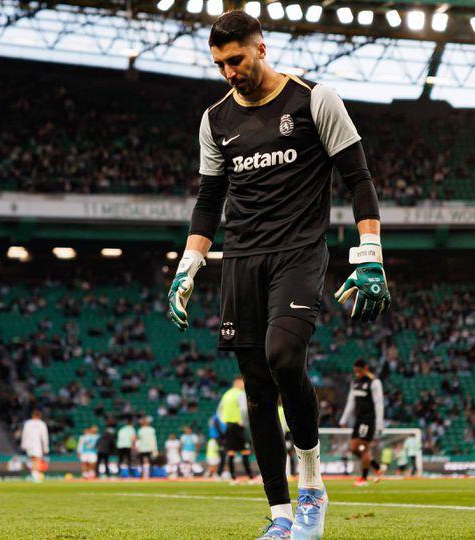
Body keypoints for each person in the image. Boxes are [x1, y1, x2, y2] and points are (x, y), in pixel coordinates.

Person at [166, 10, 389, 539]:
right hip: (241, 259)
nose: (228, 72)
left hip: (299, 253)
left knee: (284, 359)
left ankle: (312, 486)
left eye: (236, 59)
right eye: (219, 64)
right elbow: (208, 201)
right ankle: (281, 517)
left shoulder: (315, 100)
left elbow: (359, 179)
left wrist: (371, 252)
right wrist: (188, 268)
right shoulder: (215, 120)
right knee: (258, 393)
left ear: (261, 50)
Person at [339, 359, 384, 487]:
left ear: (366, 368)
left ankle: (364, 478)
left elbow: (379, 403)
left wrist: (379, 423)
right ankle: (376, 466)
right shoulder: (356, 383)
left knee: (364, 448)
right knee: (354, 448)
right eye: (355, 372)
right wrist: (344, 419)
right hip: (358, 419)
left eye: (359, 371)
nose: (357, 374)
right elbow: (351, 402)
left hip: (368, 419)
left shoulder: (374, 382)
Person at [217, 377, 256, 485]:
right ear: (238, 383)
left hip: (228, 425)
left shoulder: (226, 394)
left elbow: (219, 410)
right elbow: (243, 409)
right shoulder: (240, 393)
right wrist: (243, 421)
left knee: (231, 451)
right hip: (238, 425)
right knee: (245, 450)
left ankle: (233, 478)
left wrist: (224, 421)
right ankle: (251, 477)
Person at [21, 410, 50, 482]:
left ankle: (34, 474)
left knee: (33, 460)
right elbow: (44, 436)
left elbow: (24, 434)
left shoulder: (28, 423)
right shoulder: (42, 424)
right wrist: (46, 447)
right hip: (37, 445)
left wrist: (23, 444)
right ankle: (35, 475)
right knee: (37, 460)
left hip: (29, 445)